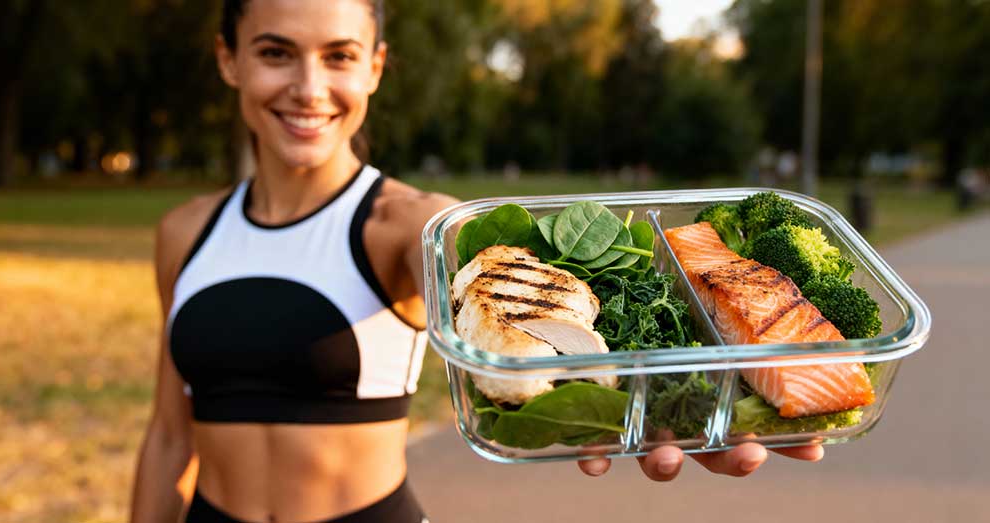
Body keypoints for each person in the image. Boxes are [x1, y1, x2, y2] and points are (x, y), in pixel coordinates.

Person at [130, 1, 822, 521]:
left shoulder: (410, 222)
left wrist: (652, 398)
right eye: (276, 53)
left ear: (374, 66)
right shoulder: (183, 232)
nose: (309, 87)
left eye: (339, 56)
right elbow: (167, 434)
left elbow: (489, 293)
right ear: (228, 59)